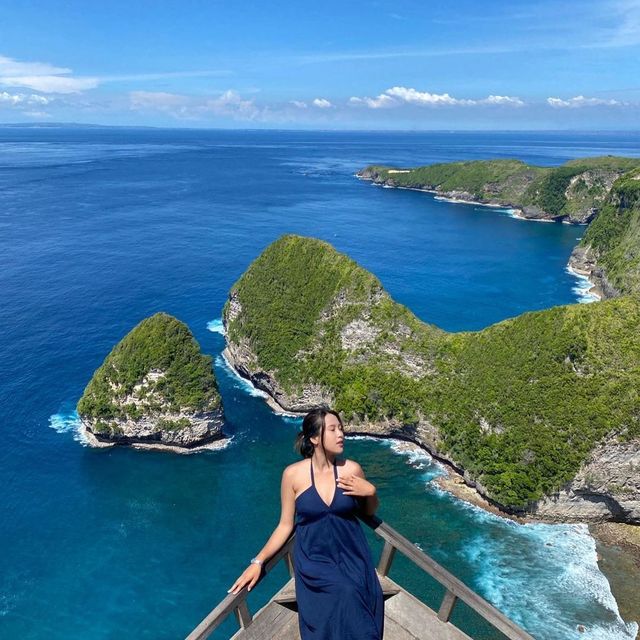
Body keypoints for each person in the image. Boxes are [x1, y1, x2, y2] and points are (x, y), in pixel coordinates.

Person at [227, 407, 384, 639]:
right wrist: (258, 562)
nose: (341, 434)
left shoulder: (351, 469)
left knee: (352, 597)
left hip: (351, 555)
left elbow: (369, 511)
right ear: (314, 438)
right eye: (332, 429)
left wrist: (370, 491)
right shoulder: (293, 475)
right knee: (340, 599)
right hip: (314, 559)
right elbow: (285, 525)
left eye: (341, 428)